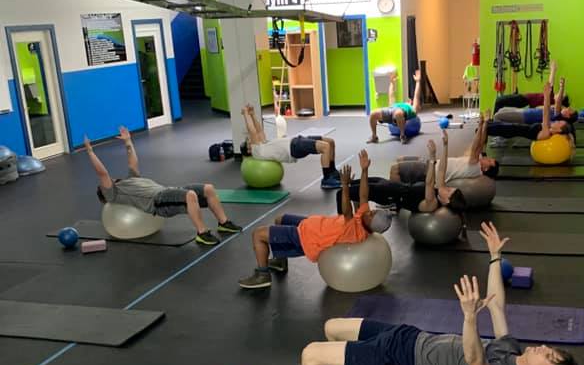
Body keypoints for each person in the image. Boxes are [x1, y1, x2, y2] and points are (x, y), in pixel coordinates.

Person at [289, 222, 580, 365]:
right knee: (333, 327)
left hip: (399, 359)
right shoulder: (511, 350)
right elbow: (496, 305)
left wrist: (469, 317)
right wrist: (495, 257)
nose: (543, 347)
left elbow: (475, 360)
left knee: (310, 356)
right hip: (410, 336)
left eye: (549, 356)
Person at [238, 150, 393, 290]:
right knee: (280, 219)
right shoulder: (365, 217)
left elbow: (347, 211)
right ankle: (280, 260)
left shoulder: (356, 230)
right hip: (311, 225)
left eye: (371, 214)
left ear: (371, 224)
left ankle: (263, 275)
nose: (369, 211)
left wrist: (345, 185)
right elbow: (364, 195)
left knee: (258, 234)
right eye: (372, 211)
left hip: (308, 237)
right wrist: (365, 170)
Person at [85, 127, 242, 247]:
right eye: (104, 185)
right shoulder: (113, 193)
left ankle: (224, 223)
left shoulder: (129, 180)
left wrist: (127, 142)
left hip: (168, 190)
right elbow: (102, 173)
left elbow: (132, 162)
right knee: (190, 195)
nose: (110, 180)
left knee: (208, 189)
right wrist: (90, 152)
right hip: (158, 202)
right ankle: (202, 233)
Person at [337, 139, 466, 216]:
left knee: (341, 193)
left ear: (447, 201)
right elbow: (442, 169)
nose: (447, 187)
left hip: (386, 194)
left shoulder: (432, 204)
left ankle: (344, 225)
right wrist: (445, 145)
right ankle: (357, 217)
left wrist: (432, 157)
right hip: (388, 184)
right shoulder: (440, 191)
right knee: (351, 185)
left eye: (449, 191)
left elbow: (429, 183)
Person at [239, 105, 341, 190]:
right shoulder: (256, 151)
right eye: (248, 142)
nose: (250, 140)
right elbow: (252, 131)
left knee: (330, 142)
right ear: (249, 150)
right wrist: (245, 115)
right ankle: (327, 179)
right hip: (293, 147)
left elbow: (259, 130)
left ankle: (332, 172)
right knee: (326, 147)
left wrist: (252, 114)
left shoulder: (262, 145)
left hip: (296, 140)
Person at [390, 125, 499, 185]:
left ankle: (395, 198)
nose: (488, 158)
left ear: (485, 169)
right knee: (400, 159)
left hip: (431, 170)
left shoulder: (476, 167)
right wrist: (485, 124)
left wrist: (480, 126)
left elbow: (475, 146)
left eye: (489, 161)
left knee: (394, 169)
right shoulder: (478, 161)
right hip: (432, 162)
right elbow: (481, 144)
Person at [368, 70, 422, 145]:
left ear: (411, 102)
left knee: (398, 113)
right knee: (372, 113)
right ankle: (374, 136)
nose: (407, 100)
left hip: (400, 115)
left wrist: (418, 82)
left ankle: (402, 135)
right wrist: (392, 82)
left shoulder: (412, 109)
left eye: (409, 100)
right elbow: (391, 94)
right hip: (390, 112)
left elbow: (416, 96)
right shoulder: (395, 104)